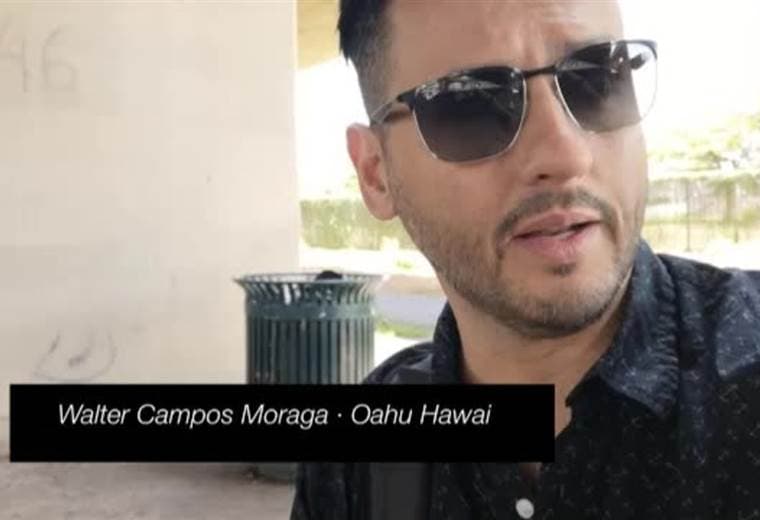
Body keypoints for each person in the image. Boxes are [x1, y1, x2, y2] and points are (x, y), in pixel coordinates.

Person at [291, 1, 760, 518]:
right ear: (376, 173)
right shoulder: (355, 468)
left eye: (598, 77)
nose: (566, 155)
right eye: (471, 104)